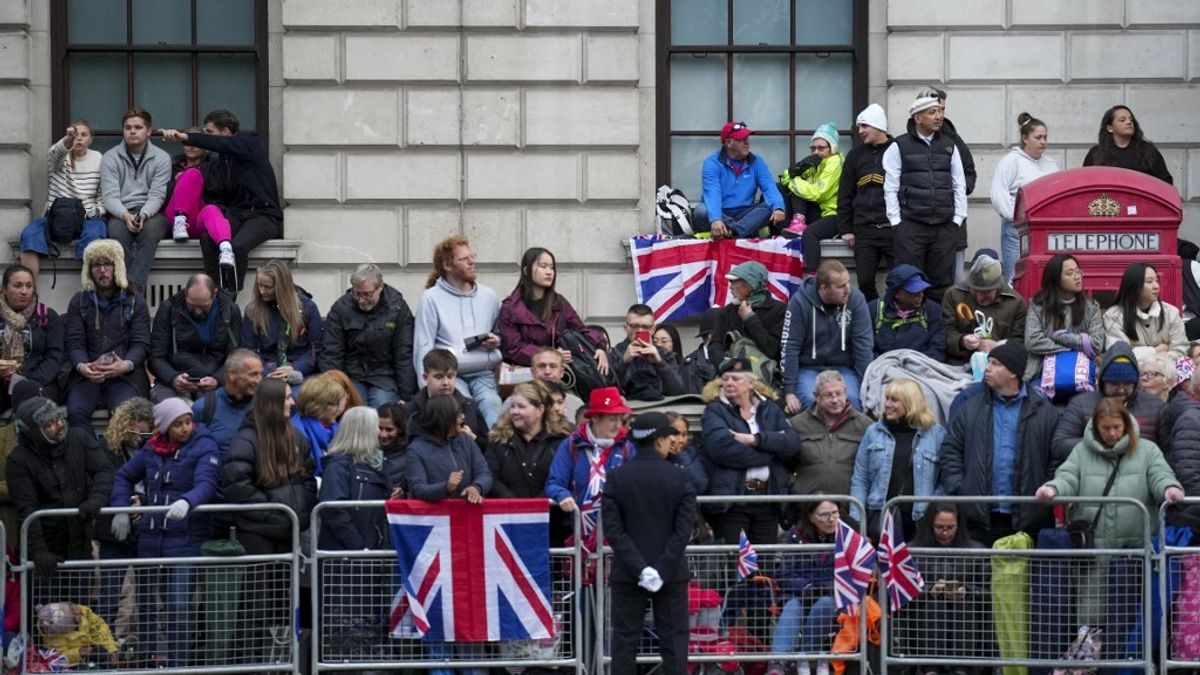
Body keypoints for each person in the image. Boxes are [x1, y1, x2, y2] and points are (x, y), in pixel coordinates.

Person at [1036, 397, 1183, 627]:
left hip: (1135, 551)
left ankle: (1128, 661)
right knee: (1091, 609)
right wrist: (1052, 489)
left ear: (1126, 424)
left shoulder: (1148, 450)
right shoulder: (1080, 452)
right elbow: (1067, 477)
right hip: (1094, 549)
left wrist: (1169, 489)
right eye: (1105, 428)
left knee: (1133, 616)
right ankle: (1094, 656)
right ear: (1095, 427)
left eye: (1117, 427)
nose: (1112, 434)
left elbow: (1160, 475)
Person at [109, 397, 219, 667]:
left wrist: (188, 500)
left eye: (188, 421)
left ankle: (179, 663)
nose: (186, 428)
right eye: (178, 424)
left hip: (186, 538)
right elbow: (123, 476)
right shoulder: (150, 449)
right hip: (151, 537)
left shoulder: (205, 446)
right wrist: (120, 509)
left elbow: (207, 483)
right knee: (145, 605)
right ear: (164, 427)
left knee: (179, 606)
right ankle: (148, 661)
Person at [222, 378, 316, 663]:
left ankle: (282, 663)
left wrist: (296, 516)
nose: (292, 402)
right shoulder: (246, 439)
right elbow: (237, 485)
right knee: (256, 605)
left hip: (290, 532)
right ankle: (246, 664)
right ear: (273, 402)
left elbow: (309, 481)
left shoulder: (297, 438)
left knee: (285, 603)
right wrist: (274, 514)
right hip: (258, 534)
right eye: (287, 397)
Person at [602, 411, 695, 675]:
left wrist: (640, 568)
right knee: (674, 643)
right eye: (669, 437)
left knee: (624, 642)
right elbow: (683, 530)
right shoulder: (680, 476)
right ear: (659, 440)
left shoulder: (617, 477)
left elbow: (614, 531)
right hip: (671, 573)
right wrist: (660, 568)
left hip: (628, 574)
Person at [939, 341, 1058, 545]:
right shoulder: (969, 407)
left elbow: (1055, 457)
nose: (987, 369)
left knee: (1020, 577)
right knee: (979, 577)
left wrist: (1044, 492)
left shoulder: (1044, 410)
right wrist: (961, 488)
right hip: (978, 519)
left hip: (1027, 520)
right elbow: (951, 451)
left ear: (1013, 373)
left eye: (995, 363)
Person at [160, 109, 284, 290]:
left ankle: (229, 298)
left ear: (225, 132)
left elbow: (224, 145)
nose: (207, 137)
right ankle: (215, 291)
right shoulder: (221, 161)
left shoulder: (250, 143)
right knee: (208, 238)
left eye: (209, 132)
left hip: (264, 215)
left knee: (238, 247)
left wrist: (186, 137)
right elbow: (212, 188)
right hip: (239, 214)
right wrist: (185, 179)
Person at [7, 395, 113, 584]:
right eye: (49, 424)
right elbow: (26, 508)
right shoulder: (19, 460)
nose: (59, 425)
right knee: (43, 612)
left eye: (58, 418)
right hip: (45, 555)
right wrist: (39, 551)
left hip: (79, 548)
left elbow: (104, 470)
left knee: (79, 611)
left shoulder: (79, 438)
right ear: (34, 432)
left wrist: (96, 499)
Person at [700, 357, 801, 545]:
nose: (729, 383)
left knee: (765, 567)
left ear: (751, 383)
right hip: (733, 502)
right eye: (726, 378)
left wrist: (756, 440)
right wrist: (770, 452)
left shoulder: (770, 409)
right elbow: (723, 450)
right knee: (735, 565)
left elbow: (792, 443)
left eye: (736, 379)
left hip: (768, 500)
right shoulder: (715, 410)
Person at [883, 89, 969, 298]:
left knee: (941, 287)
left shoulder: (950, 145)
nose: (939, 116)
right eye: (932, 112)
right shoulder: (898, 146)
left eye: (939, 111)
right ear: (918, 118)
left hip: (944, 227)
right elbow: (890, 186)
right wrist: (896, 222)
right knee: (908, 282)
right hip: (911, 226)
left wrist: (957, 219)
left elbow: (959, 184)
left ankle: (937, 329)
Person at [414, 236, 503, 427]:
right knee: (465, 408)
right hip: (450, 373)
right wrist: (427, 389)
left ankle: (491, 455)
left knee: (493, 406)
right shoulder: (431, 299)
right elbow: (423, 346)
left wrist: (496, 340)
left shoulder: (489, 296)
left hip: (483, 372)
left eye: (472, 256)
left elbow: (500, 332)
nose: (472, 262)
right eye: (464, 259)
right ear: (447, 265)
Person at [63, 240, 151, 427]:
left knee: (124, 415)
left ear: (117, 267)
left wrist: (126, 365)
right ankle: (88, 455)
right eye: (96, 265)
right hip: (87, 376)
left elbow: (141, 344)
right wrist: (82, 366)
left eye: (108, 264)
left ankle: (117, 457)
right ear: (89, 270)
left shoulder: (136, 302)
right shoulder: (79, 302)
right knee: (76, 412)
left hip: (126, 376)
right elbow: (74, 343)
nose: (102, 270)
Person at [849, 378, 945, 538]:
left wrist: (934, 512)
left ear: (910, 403)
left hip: (921, 523)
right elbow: (860, 480)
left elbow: (943, 481)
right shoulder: (873, 432)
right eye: (886, 398)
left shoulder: (936, 434)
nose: (887, 404)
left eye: (894, 400)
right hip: (879, 521)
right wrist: (857, 523)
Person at [94, 397, 154, 635]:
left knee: (148, 598)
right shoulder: (104, 450)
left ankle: (149, 654)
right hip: (113, 532)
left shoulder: (155, 450)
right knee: (109, 597)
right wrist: (125, 503)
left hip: (145, 530)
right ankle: (103, 653)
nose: (139, 437)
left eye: (145, 431)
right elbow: (102, 484)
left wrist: (145, 503)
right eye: (135, 430)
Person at [781, 260, 873, 413]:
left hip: (844, 368)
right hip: (809, 369)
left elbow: (863, 345)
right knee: (812, 402)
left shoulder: (856, 300)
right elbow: (789, 346)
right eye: (841, 286)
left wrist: (867, 385)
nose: (847, 290)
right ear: (823, 288)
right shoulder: (799, 302)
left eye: (848, 283)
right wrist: (789, 391)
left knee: (852, 402)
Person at [19, 121, 108, 277]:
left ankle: (89, 291)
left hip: (87, 217)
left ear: (91, 139)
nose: (78, 138)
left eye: (84, 135)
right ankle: (30, 291)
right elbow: (58, 152)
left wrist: (95, 212)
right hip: (57, 217)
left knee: (94, 237)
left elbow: (103, 197)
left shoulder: (98, 158)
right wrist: (68, 139)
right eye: (75, 135)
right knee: (29, 234)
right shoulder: (59, 156)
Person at [487, 381, 572, 543]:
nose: (514, 412)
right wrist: (515, 505)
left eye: (521, 407)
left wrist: (535, 506)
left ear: (540, 409)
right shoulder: (498, 438)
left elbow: (565, 477)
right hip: (508, 524)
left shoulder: (563, 439)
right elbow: (491, 476)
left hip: (553, 527)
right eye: (513, 406)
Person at [321, 263, 417, 406]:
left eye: (367, 294)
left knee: (380, 408)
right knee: (356, 411)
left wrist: (407, 397)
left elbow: (403, 354)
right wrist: (334, 388)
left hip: (385, 377)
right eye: (356, 293)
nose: (361, 300)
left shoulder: (397, 309)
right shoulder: (341, 308)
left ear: (380, 288)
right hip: (351, 376)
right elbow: (332, 352)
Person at [906, 503, 987, 671]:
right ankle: (930, 670)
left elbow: (989, 592)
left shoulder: (977, 551)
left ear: (959, 525)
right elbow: (901, 593)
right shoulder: (911, 550)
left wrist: (968, 591)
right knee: (934, 606)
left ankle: (962, 670)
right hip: (924, 615)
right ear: (929, 525)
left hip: (964, 613)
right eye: (939, 527)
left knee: (964, 606)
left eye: (950, 528)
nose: (945, 533)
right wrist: (928, 592)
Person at [498, 247, 609, 369]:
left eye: (552, 267)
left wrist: (600, 347)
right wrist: (550, 355)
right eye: (543, 266)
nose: (549, 272)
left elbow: (580, 329)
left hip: (558, 374)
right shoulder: (510, 307)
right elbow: (513, 348)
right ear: (526, 270)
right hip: (525, 374)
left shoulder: (559, 303)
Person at [1051, 341, 1164, 462]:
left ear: (1135, 383)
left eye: (1127, 384)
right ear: (1103, 382)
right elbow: (1059, 446)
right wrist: (1100, 444)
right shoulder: (1080, 405)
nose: (1121, 390)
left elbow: (1167, 450)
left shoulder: (1155, 406)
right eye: (1114, 384)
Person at [100, 106, 172, 294]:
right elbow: (110, 196)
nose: (132, 131)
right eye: (128, 127)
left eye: (138, 127)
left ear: (148, 131)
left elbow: (157, 195)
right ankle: (131, 291)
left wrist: (144, 215)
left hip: (152, 212)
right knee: (116, 235)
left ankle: (130, 291)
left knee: (149, 234)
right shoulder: (110, 157)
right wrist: (125, 216)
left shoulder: (162, 158)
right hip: (120, 211)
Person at [545, 386, 636, 529]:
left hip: (619, 532)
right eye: (612, 419)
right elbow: (553, 484)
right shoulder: (571, 445)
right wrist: (563, 495)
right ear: (595, 417)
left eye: (621, 419)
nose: (618, 426)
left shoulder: (627, 447)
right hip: (577, 532)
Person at [766, 499, 839, 675]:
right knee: (792, 606)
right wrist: (808, 587)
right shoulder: (795, 536)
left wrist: (822, 587)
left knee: (825, 603)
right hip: (799, 593)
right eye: (824, 514)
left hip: (831, 595)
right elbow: (785, 574)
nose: (831, 519)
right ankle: (777, 664)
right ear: (811, 517)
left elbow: (849, 575)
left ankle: (803, 655)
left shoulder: (847, 536)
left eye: (835, 513)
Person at [158, 127, 237, 283]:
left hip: (197, 219)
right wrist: (180, 181)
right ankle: (180, 221)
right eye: (187, 142)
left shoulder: (214, 165)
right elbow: (162, 195)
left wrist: (201, 177)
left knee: (212, 209)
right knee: (192, 174)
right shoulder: (172, 164)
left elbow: (220, 193)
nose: (191, 146)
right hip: (175, 217)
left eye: (195, 142)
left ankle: (226, 248)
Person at [149, 273, 242, 401]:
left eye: (204, 307)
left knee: (214, 408)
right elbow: (156, 356)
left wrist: (218, 379)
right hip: (176, 377)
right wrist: (173, 378)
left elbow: (235, 357)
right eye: (192, 305)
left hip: (215, 378)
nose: (198, 311)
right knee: (175, 411)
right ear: (185, 293)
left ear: (214, 295)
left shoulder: (230, 312)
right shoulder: (169, 309)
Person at [989, 113, 1059, 283]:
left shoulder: (1050, 163)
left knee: (1044, 275)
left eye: (1045, 137)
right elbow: (998, 192)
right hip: (1016, 229)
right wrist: (1013, 217)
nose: (1043, 141)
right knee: (1015, 276)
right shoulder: (1011, 161)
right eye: (1038, 137)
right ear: (1025, 138)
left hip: (1044, 227)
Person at [837, 104, 894, 302]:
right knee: (865, 282)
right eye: (859, 126)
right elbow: (845, 194)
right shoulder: (855, 155)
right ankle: (873, 319)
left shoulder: (898, 151)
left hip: (893, 229)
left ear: (878, 126)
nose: (860, 131)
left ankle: (892, 318)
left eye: (864, 126)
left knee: (899, 281)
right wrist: (846, 228)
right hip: (864, 231)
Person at [695, 121, 787, 240]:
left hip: (746, 213)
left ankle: (732, 233)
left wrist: (778, 207)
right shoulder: (712, 163)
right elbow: (712, 194)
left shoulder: (757, 161)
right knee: (700, 211)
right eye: (741, 139)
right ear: (728, 143)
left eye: (747, 138)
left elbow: (769, 186)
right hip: (721, 212)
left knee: (771, 207)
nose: (747, 142)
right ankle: (745, 230)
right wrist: (716, 219)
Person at [788, 370, 872, 497]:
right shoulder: (797, 425)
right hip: (806, 507)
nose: (835, 400)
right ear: (816, 397)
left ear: (846, 392)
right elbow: (784, 464)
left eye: (838, 394)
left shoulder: (865, 425)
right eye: (828, 395)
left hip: (849, 506)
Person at [1024, 254, 1105, 384]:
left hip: (1081, 374)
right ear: (1055, 279)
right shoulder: (1038, 305)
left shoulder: (1091, 307)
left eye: (1078, 271)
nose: (1077, 276)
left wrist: (1060, 336)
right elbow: (1032, 341)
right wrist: (1073, 348)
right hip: (1041, 373)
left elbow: (1096, 344)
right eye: (1070, 273)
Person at [318, 406, 389, 550]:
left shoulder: (377, 465)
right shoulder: (338, 467)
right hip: (345, 559)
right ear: (365, 431)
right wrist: (359, 547)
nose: (380, 433)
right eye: (377, 427)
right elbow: (333, 510)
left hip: (371, 552)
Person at [241, 259, 323, 382]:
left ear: (282, 287)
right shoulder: (252, 311)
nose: (262, 291)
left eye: (268, 287)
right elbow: (248, 349)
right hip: (265, 371)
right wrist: (265, 372)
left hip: (298, 371)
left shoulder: (307, 308)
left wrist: (294, 368)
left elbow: (315, 348)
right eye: (259, 285)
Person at [942, 251, 1028, 367]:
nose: (979, 297)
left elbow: (1021, 343)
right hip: (959, 363)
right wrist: (962, 340)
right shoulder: (953, 294)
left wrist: (999, 346)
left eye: (985, 292)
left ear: (998, 287)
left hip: (999, 365)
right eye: (975, 290)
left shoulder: (1016, 303)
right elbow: (945, 332)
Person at [403, 394, 492, 503]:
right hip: (436, 517)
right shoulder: (415, 450)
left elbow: (484, 473)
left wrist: (476, 487)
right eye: (458, 414)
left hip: (468, 515)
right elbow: (417, 489)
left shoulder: (466, 441)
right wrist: (446, 487)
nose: (463, 417)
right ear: (444, 418)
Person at [0, 264, 66, 410]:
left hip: (39, 380)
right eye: (17, 286)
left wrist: (26, 382)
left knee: (36, 407)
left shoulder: (47, 316)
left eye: (29, 286)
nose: (24, 291)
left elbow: (54, 357)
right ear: (4, 289)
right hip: (2, 381)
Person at [781, 123, 845, 265]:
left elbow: (818, 194)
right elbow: (784, 178)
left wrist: (794, 179)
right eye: (813, 148)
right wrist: (799, 167)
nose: (816, 152)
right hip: (820, 211)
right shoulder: (818, 161)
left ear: (832, 148)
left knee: (810, 234)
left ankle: (812, 276)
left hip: (834, 215)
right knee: (782, 187)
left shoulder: (834, 163)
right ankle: (795, 223)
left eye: (821, 148)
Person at [1105, 262, 1188, 359]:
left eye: (1156, 281)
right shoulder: (1114, 316)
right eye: (1149, 281)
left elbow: (1181, 350)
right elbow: (1119, 354)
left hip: (1166, 372)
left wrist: (1151, 361)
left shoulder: (1171, 313)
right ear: (1134, 286)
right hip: (1131, 372)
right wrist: (1156, 350)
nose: (1156, 286)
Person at [405, 349, 489, 444]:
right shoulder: (410, 411)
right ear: (425, 377)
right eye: (439, 377)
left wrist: (473, 439)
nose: (446, 382)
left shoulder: (469, 407)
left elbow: (489, 449)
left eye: (450, 376)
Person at [710, 261, 787, 364]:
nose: (730, 287)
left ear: (751, 284)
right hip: (730, 373)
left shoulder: (779, 310)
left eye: (734, 282)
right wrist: (724, 364)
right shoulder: (727, 311)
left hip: (765, 373)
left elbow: (774, 351)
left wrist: (750, 319)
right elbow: (715, 345)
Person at [609, 304, 687, 401]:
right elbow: (606, 390)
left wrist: (659, 363)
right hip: (629, 411)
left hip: (660, 410)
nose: (640, 330)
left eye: (645, 326)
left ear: (653, 329)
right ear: (626, 327)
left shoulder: (665, 355)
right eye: (634, 326)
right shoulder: (615, 353)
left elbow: (679, 391)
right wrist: (624, 362)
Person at [192, 348, 263, 455]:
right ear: (231, 374)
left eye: (260, 374)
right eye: (253, 374)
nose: (258, 380)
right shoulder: (203, 408)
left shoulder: (263, 406)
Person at [867, 265, 945, 360]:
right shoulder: (873, 310)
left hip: (922, 367)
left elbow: (938, 348)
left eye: (922, 290)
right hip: (883, 367)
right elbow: (865, 348)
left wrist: (915, 365)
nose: (920, 295)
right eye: (914, 292)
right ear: (896, 294)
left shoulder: (932, 309)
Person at [1082, 105, 1173, 184]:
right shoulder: (1096, 153)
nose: (1129, 122)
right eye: (1122, 120)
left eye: (1131, 119)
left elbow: (1165, 182)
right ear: (1110, 128)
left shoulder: (1148, 151)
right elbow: (1085, 182)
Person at [292, 374, 347, 476]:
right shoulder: (295, 431)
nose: (337, 408)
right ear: (318, 405)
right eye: (334, 403)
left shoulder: (338, 429)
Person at [378, 401, 409, 497]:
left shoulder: (410, 454)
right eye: (379, 428)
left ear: (400, 429)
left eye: (389, 430)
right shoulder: (365, 451)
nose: (383, 435)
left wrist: (404, 494)